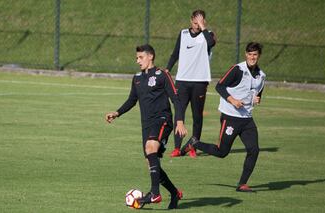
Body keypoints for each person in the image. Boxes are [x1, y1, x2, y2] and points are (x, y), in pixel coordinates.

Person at [105, 44, 187, 209]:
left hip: (163, 119)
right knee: (152, 162)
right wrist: (117, 112)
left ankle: (155, 193)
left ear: (151, 57)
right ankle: (174, 193)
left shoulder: (162, 75)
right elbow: (131, 100)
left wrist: (179, 121)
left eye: (140, 57)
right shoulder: (137, 78)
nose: (137, 61)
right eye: (137, 58)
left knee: (151, 148)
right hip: (147, 124)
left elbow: (176, 99)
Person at [180, 42, 266, 192]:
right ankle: (195, 143)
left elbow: (257, 95)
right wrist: (232, 100)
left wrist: (257, 99)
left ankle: (242, 184)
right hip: (230, 116)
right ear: (246, 54)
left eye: (255, 55)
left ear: (259, 56)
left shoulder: (261, 76)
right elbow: (219, 86)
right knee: (222, 152)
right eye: (250, 54)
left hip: (247, 119)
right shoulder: (237, 69)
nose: (252, 57)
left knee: (254, 150)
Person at [165, 9, 216, 158]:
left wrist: (203, 27)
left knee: (197, 116)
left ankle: (193, 146)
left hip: (200, 82)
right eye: (195, 22)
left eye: (200, 22)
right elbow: (175, 53)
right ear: (191, 20)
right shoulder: (183, 34)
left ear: (204, 22)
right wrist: (168, 68)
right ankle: (176, 147)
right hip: (182, 81)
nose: (197, 25)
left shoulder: (209, 35)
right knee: (179, 113)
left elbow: (211, 43)